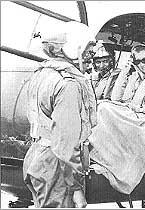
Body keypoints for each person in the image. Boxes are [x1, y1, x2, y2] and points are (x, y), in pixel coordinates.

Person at [23, 21, 97, 208]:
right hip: (57, 169)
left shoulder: (43, 74)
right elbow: (66, 142)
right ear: (73, 48)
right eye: (88, 50)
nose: (91, 57)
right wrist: (76, 188)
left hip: (37, 158)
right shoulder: (68, 84)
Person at [89, 44, 145, 194]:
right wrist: (126, 70)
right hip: (130, 117)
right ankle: (99, 156)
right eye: (137, 61)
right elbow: (116, 98)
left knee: (103, 108)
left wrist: (142, 109)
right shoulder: (135, 77)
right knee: (100, 106)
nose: (142, 64)